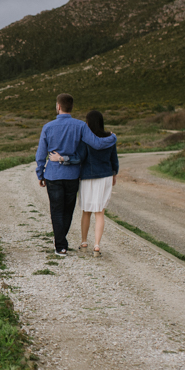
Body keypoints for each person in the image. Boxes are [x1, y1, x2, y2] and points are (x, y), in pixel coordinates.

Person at [36, 94, 117, 257]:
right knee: (67, 210)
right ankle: (62, 242)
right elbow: (97, 143)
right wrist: (113, 137)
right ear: (71, 107)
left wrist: (40, 174)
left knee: (56, 210)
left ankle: (61, 246)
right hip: (72, 175)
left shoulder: (48, 127)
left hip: (53, 175)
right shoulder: (80, 126)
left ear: (58, 106)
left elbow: (40, 154)